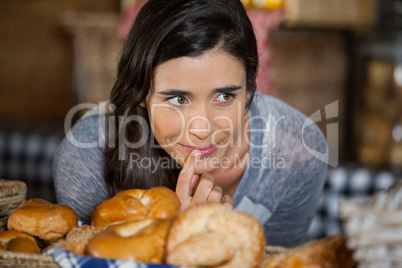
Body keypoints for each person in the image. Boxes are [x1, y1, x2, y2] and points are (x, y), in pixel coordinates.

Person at [53, 0, 327, 247]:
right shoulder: (87, 158)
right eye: (177, 99)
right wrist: (173, 237)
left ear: (250, 90)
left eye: (224, 96)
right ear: (140, 93)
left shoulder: (298, 151)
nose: (203, 129)